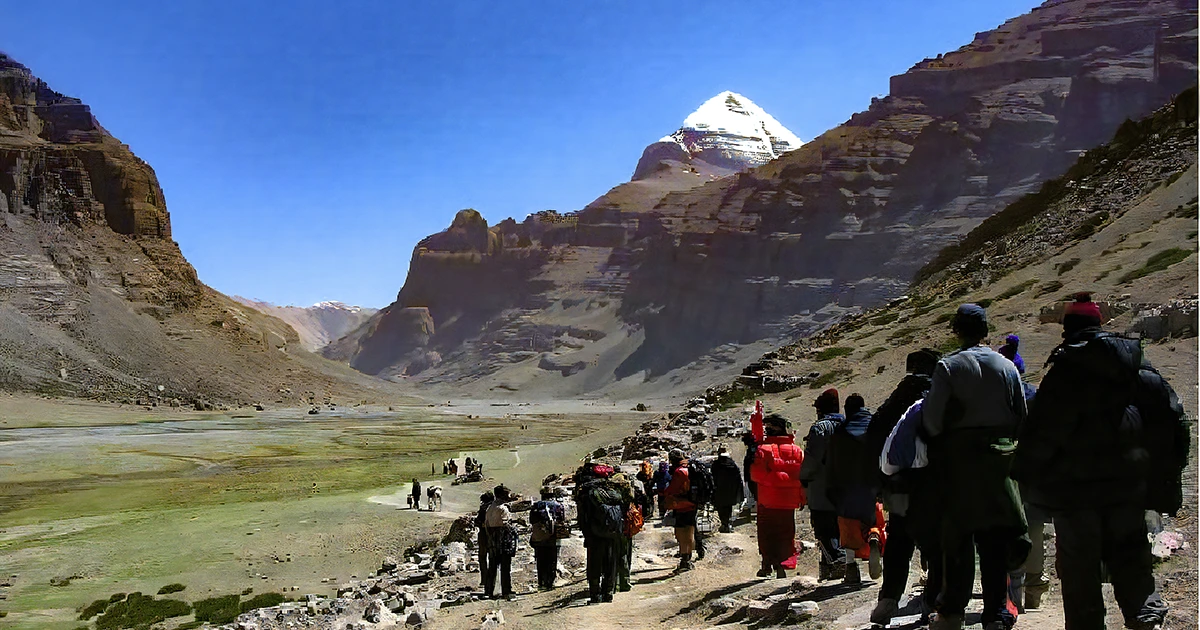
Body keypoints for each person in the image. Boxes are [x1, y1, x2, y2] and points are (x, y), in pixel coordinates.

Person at [1013, 294, 1188, 630]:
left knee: (1080, 571)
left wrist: (1028, 478)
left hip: (1074, 495)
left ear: (1068, 329)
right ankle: (1145, 616)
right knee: (1132, 558)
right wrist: (1164, 478)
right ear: (1099, 323)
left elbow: (1041, 436)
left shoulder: (1062, 374)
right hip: (1129, 487)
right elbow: (1173, 420)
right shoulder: (1137, 368)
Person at [922, 304, 1029, 630]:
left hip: (959, 463)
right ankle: (995, 612)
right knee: (995, 539)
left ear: (957, 330)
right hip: (999, 462)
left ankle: (952, 611)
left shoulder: (948, 367)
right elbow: (1020, 418)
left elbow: (932, 421)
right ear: (985, 330)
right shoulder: (1007, 366)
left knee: (957, 539)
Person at [867, 349, 941, 625]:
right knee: (936, 544)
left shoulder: (895, 399)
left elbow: (874, 436)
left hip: (897, 485)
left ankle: (888, 600)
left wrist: (880, 483)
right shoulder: (937, 397)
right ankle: (932, 604)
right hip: (933, 484)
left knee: (899, 539)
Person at [828, 393, 884, 585]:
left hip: (847, 486)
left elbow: (833, 463)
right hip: (873, 485)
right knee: (873, 519)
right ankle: (874, 537)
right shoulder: (875, 426)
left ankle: (851, 569)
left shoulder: (841, 431)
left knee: (848, 525)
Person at [748, 404, 805, 579]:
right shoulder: (797, 451)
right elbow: (803, 477)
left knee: (767, 533)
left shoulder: (762, 450)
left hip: (768, 500)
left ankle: (767, 564)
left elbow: (755, 475)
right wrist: (801, 497)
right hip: (789, 502)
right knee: (786, 533)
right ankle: (784, 563)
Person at [800, 388, 845, 581]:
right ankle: (832, 566)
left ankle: (837, 562)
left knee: (824, 527)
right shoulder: (848, 423)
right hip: (847, 485)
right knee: (841, 525)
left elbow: (812, 459)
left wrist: (803, 478)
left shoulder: (820, 428)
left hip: (822, 486)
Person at [576, 462, 632, 603]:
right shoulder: (615, 491)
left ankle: (595, 596)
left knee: (594, 564)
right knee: (610, 562)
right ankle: (608, 594)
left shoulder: (589, 492)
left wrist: (586, 532)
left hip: (595, 534)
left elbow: (584, 515)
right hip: (613, 532)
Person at [664, 449, 698, 572]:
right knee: (690, 531)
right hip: (692, 504)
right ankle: (688, 558)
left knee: (681, 534)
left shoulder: (679, 472)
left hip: (682, 505)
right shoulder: (690, 468)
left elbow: (673, 489)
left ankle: (684, 561)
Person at [483, 485, 518, 600]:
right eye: (507, 494)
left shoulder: (490, 508)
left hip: (492, 540)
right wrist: (514, 527)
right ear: (502, 495)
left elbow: (487, 524)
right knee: (505, 567)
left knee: (492, 566)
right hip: (503, 540)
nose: (508, 496)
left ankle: (488, 591)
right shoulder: (502, 508)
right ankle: (506, 591)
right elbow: (504, 524)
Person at [530, 487, 567, 591]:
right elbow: (562, 519)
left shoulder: (536, 506)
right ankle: (550, 583)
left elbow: (531, 520)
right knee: (552, 559)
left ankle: (541, 582)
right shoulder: (558, 505)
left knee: (540, 560)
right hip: (554, 537)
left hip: (539, 537)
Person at [711, 446, 745, 533]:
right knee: (728, 507)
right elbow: (738, 479)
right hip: (730, 490)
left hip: (719, 490)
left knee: (721, 508)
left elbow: (712, 478)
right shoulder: (732, 465)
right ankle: (727, 524)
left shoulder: (716, 465)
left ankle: (724, 523)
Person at [474, 491, 494, 591]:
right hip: (495, 536)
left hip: (484, 535)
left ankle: (484, 579)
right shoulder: (497, 507)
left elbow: (478, 522)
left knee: (482, 558)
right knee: (493, 558)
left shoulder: (483, 508)